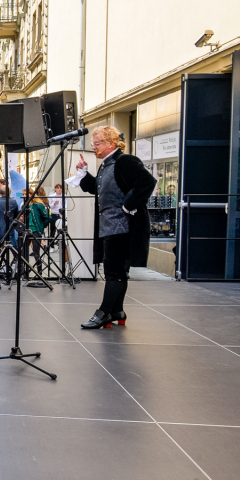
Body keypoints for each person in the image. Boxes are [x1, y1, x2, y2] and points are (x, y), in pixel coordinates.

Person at [77, 126, 156, 329]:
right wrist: (84, 174)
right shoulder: (106, 165)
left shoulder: (125, 161)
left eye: (97, 143)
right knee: (118, 271)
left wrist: (129, 205)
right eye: (93, 144)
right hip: (110, 227)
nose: (94, 147)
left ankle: (103, 313)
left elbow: (147, 182)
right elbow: (99, 189)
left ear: (111, 143)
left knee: (114, 272)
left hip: (122, 227)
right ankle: (117, 311)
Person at [26, 186, 52, 268]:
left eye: (26, 194)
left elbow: (48, 217)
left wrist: (42, 225)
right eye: (23, 194)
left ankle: (39, 273)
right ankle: (24, 272)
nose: (24, 196)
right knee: (23, 252)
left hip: (36, 230)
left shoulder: (37, 205)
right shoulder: (25, 206)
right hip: (26, 230)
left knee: (36, 253)